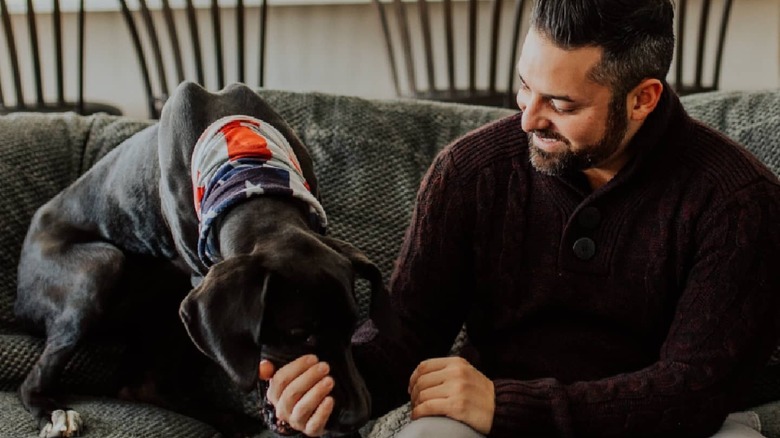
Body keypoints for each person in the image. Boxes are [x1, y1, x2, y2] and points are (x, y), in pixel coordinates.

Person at [259, 0, 780, 436]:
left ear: (642, 99)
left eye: (561, 103)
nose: (528, 117)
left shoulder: (738, 201)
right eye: (524, 86)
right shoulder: (469, 172)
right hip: (488, 423)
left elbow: (694, 390)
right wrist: (321, 386)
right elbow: (406, 339)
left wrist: (507, 404)